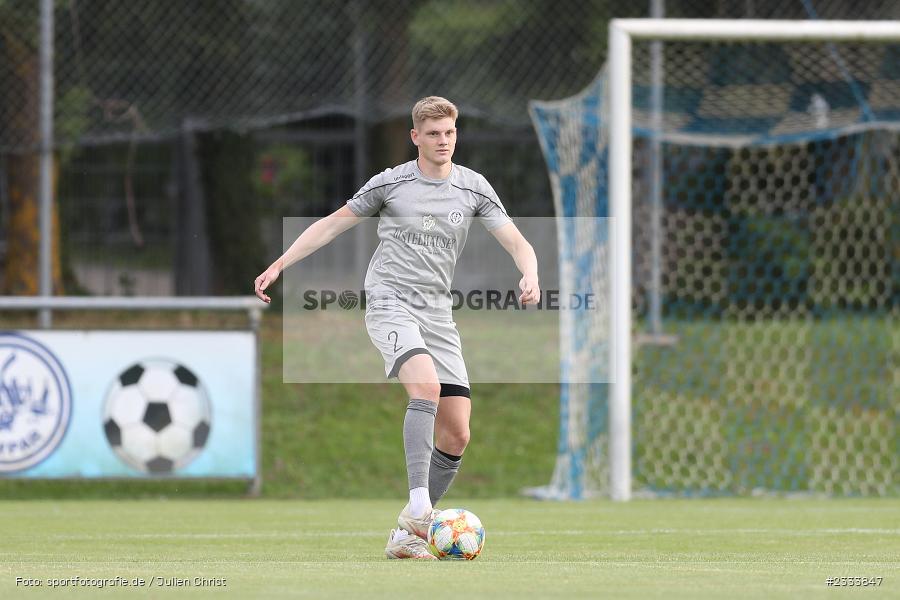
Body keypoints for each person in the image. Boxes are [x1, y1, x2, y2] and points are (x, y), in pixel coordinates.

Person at [254, 96, 540, 560]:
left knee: (457, 435)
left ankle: (406, 536)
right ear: (416, 138)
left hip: (438, 314)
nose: (443, 141)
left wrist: (530, 273)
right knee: (424, 387)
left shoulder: (474, 188)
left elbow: (516, 240)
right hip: (389, 301)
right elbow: (331, 225)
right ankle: (420, 507)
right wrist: (281, 263)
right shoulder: (392, 183)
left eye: (449, 133)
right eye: (433, 134)